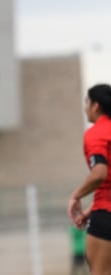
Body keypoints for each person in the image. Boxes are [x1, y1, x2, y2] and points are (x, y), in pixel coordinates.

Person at [67, 83, 111, 275]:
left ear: (95, 105)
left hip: (106, 215)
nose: (85, 107)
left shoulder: (96, 134)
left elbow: (100, 172)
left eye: (86, 102)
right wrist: (89, 211)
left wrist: (75, 196)